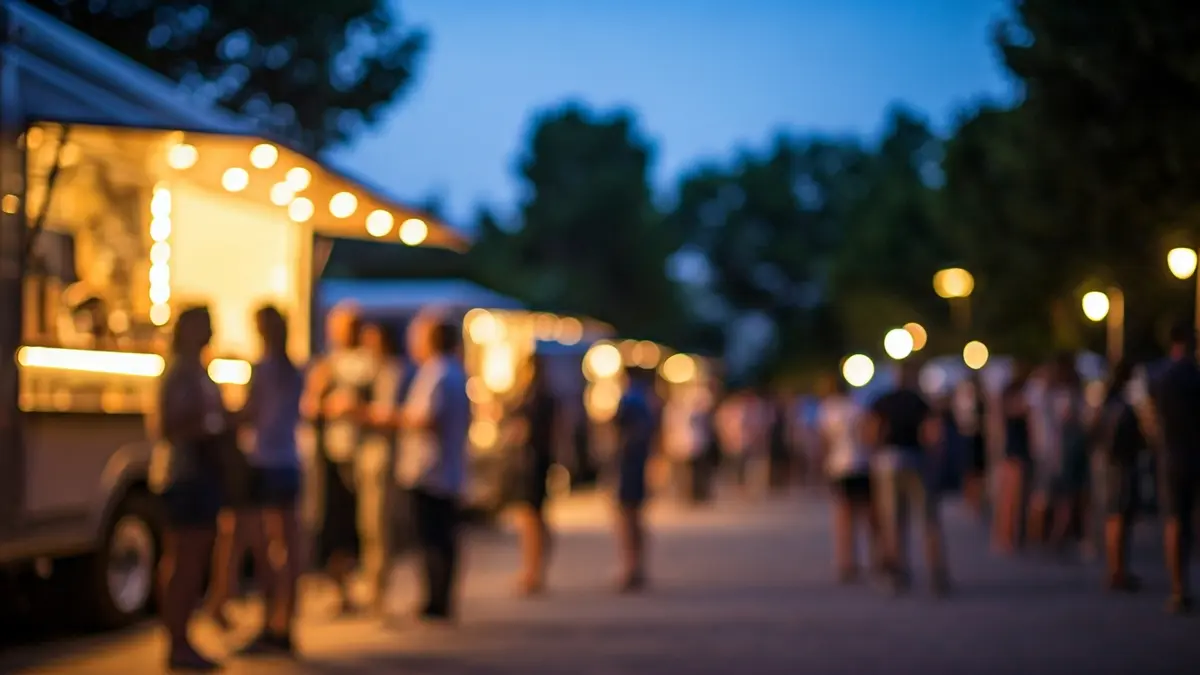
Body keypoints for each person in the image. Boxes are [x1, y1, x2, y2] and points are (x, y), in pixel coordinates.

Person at [150, 306, 227, 671]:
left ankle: (179, 638)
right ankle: (178, 640)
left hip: (194, 473)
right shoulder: (182, 371)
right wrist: (211, 427)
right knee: (185, 560)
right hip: (186, 474)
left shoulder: (196, 369)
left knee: (187, 559)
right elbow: (169, 425)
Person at [384, 312, 470, 621]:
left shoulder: (438, 373)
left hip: (429, 469)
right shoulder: (453, 372)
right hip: (443, 468)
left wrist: (390, 417)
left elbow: (425, 418)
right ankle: (438, 598)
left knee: (433, 537)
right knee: (440, 536)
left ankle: (436, 600)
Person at [302, 304, 371, 614]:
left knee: (359, 525)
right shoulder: (327, 365)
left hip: (360, 455)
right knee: (334, 523)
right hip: (332, 454)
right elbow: (310, 407)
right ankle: (338, 586)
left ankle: (355, 585)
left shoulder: (369, 363)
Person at [867, 360, 950, 595]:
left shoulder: (882, 401)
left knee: (892, 520)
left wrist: (875, 453)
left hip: (888, 462)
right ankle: (937, 574)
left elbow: (873, 431)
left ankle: (897, 574)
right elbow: (933, 433)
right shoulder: (920, 402)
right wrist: (934, 458)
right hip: (916, 460)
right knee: (928, 519)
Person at [1149, 322, 1200, 614]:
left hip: (1169, 455)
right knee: (1188, 521)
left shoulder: (1159, 375)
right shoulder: (1193, 375)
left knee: (1174, 520)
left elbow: (1150, 418)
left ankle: (1178, 587)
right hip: (1192, 453)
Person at [357, 322, 405, 613]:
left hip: (382, 458)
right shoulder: (371, 371)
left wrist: (355, 410)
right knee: (368, 524)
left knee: (378, 524)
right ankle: (372, 583)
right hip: (369, 456)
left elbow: (388, 415)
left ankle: (378, 587)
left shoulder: (391, 371)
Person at [816, 374, 880, 583]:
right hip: (861, 464)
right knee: (869, 516)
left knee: (843, 517)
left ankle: (846, 562)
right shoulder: (857, 407)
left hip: (839, 466)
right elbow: (868, 436)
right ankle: (876, 559)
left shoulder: (827, 410)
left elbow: (824, 441)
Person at [1093, 360, 1146, 592]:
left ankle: (1116, 568)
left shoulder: (1109, 402)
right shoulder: (1121, 406)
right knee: (1119, 518)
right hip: (1119, 466)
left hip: (1110, 465)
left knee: (1115, 517)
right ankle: (1116, 570)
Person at [1028, 354, 1087, 553]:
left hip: (1048, 450)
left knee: (1046, 495)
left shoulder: (1046, 392)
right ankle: (1051, 538)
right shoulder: (1064, 394)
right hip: (1059, 451)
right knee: (1060, 496)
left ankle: (1041, 537)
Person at [511, 355, 558, 595]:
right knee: (534, 518)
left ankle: (532, 572)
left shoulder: (535, 397)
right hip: (538, 462)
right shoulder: (544, 396)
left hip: (532, 463)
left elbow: (526, 431)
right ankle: (534, 570)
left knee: (531, 519)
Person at [613, 366, 658, 592]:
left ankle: (631, 567)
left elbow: (618, 427)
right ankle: (636, 566)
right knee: (635, 515)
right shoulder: (647, 399)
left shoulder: (630, 399)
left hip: (629, 462)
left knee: (627, 515)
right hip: (638, 462)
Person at [993, 365, 1032, 553]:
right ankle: (1007, 537)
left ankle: (1008, 536)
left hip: (1014, 454)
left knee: (1011, 499)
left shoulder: (1009, 405)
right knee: (1011, 499)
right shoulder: (1015, 407)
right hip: (1014, 454)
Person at [954, 374, 988, 520]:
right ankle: (969, 499)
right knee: (968, 469)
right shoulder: (962, 398)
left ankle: (976, 500)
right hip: (967, 436)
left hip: (977, 438)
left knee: (978, 470)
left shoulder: (980, 397)